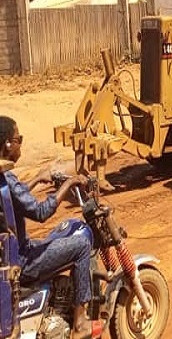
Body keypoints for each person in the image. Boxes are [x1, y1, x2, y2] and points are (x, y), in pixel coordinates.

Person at [0, 116, 98, 339]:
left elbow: (16, 197)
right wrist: (70, 183)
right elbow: (41, 212)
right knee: (82, 244)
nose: (20, 144)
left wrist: (36, 179)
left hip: (10, 255)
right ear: (7, 143)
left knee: (56, 237)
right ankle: (81, 322)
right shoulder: (7, 177)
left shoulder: (3, 177)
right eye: (18, 139)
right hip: (22, 261)